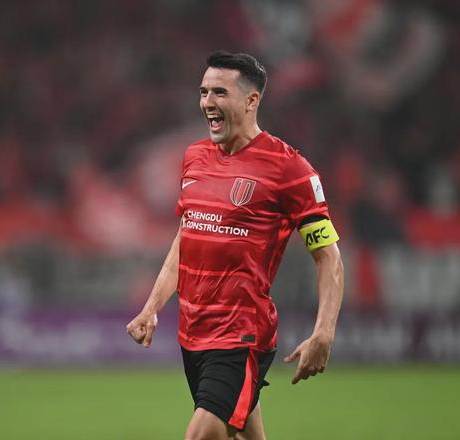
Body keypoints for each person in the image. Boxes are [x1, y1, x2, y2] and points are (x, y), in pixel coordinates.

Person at [127, 51, 344, 440]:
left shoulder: (289, 169)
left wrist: (324, 332)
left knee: (201, 435)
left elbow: (328, 257)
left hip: (242, 335)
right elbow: (186, 237)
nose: (207, 102)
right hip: (193, 333)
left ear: (251, 100)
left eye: (220, 92)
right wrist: (152, 307)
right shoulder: (194, 158)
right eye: (203, 92)